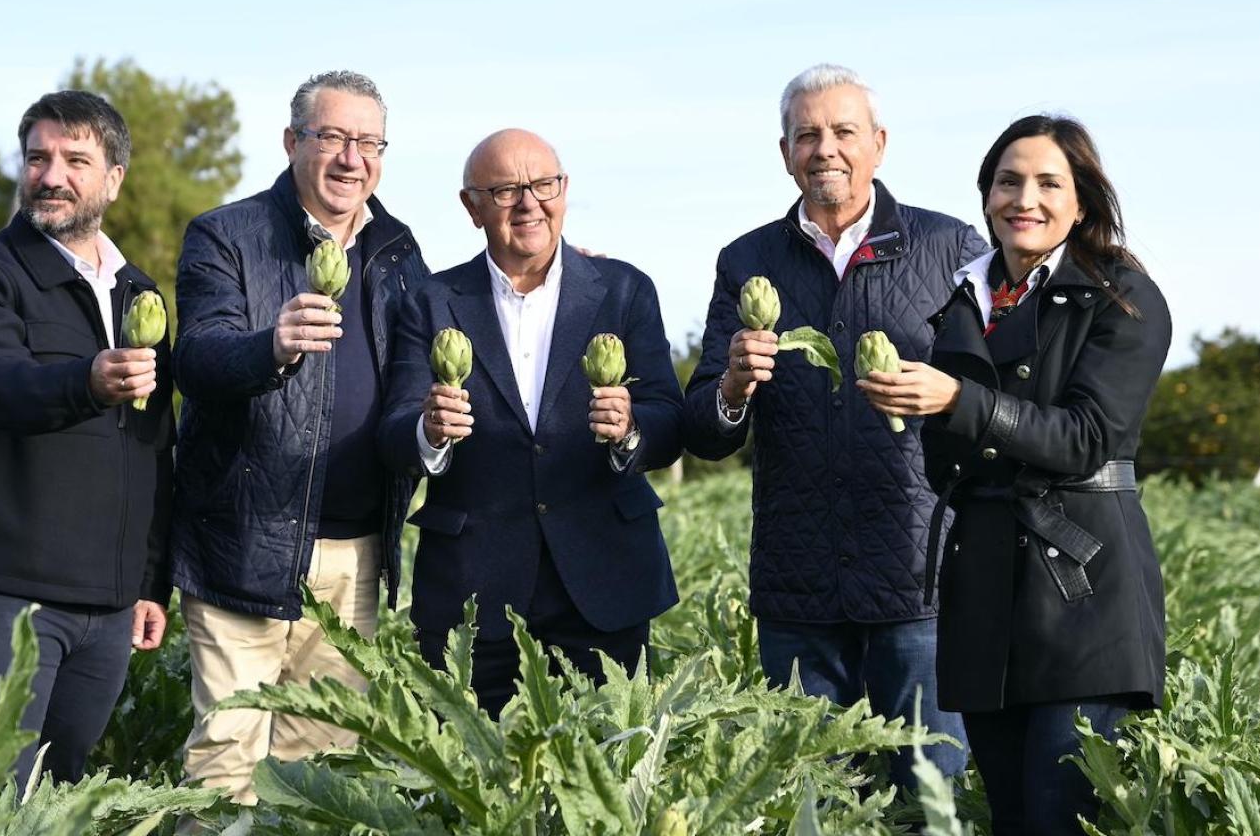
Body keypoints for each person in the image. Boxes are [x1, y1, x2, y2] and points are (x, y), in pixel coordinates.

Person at [858, 114, 1169, 833]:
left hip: (1083, 598)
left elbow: (1090, 438)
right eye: (1007, 182)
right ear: (986, 197)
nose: (1023, 198)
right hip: (985, 601)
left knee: (1063, 820)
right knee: (1011, 820)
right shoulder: (966, 300)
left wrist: (960, 400)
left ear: (1081, 202)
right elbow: (952, 466)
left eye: (1047, 183)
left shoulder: (1123, 298)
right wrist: (915, 408)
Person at [681, 64, 982, 786]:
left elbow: (995, 397)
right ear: (784, 153)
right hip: (799, 590)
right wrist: (731, 384)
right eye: (806, 135)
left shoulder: (953, 249)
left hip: (922, 586)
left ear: (878, 144)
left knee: (931, 801)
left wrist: (943, 395)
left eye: (843, 132)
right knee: (819, 801)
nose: (825, 149)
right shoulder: (747, 261)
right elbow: (706, 431)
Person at [170, 71, 428, 804]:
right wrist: (271, 345)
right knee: (228, 760)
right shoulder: (227, 235)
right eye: (333, 138)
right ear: (292, 143)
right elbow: (197, 356)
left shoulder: (399, 251)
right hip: (245, 541)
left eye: (368, 142)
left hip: (358, 554)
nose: (352, 158)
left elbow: (413, 382)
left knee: (322, 769)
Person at [378, 128, 683, 717]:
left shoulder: (624, 290)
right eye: (507, 190)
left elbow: (670, 418)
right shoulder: (431, 301)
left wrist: (631, 431)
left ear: (564, 190)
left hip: (604, 580)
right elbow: (394, 431)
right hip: (473, 591)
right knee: (473, 782)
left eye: (544, 184)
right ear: (472, 207)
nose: (529, 203)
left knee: (606, 777)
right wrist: (428, 431)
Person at [0, 90, 173, 783]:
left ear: (113, 178)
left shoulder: (139, 297)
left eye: (75, 160)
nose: (51, 175)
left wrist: (149, 580)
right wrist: (86, 381)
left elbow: (151, 448)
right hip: (0, 596)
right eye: (38, 157)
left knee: (60, 799)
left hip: (107, 607)